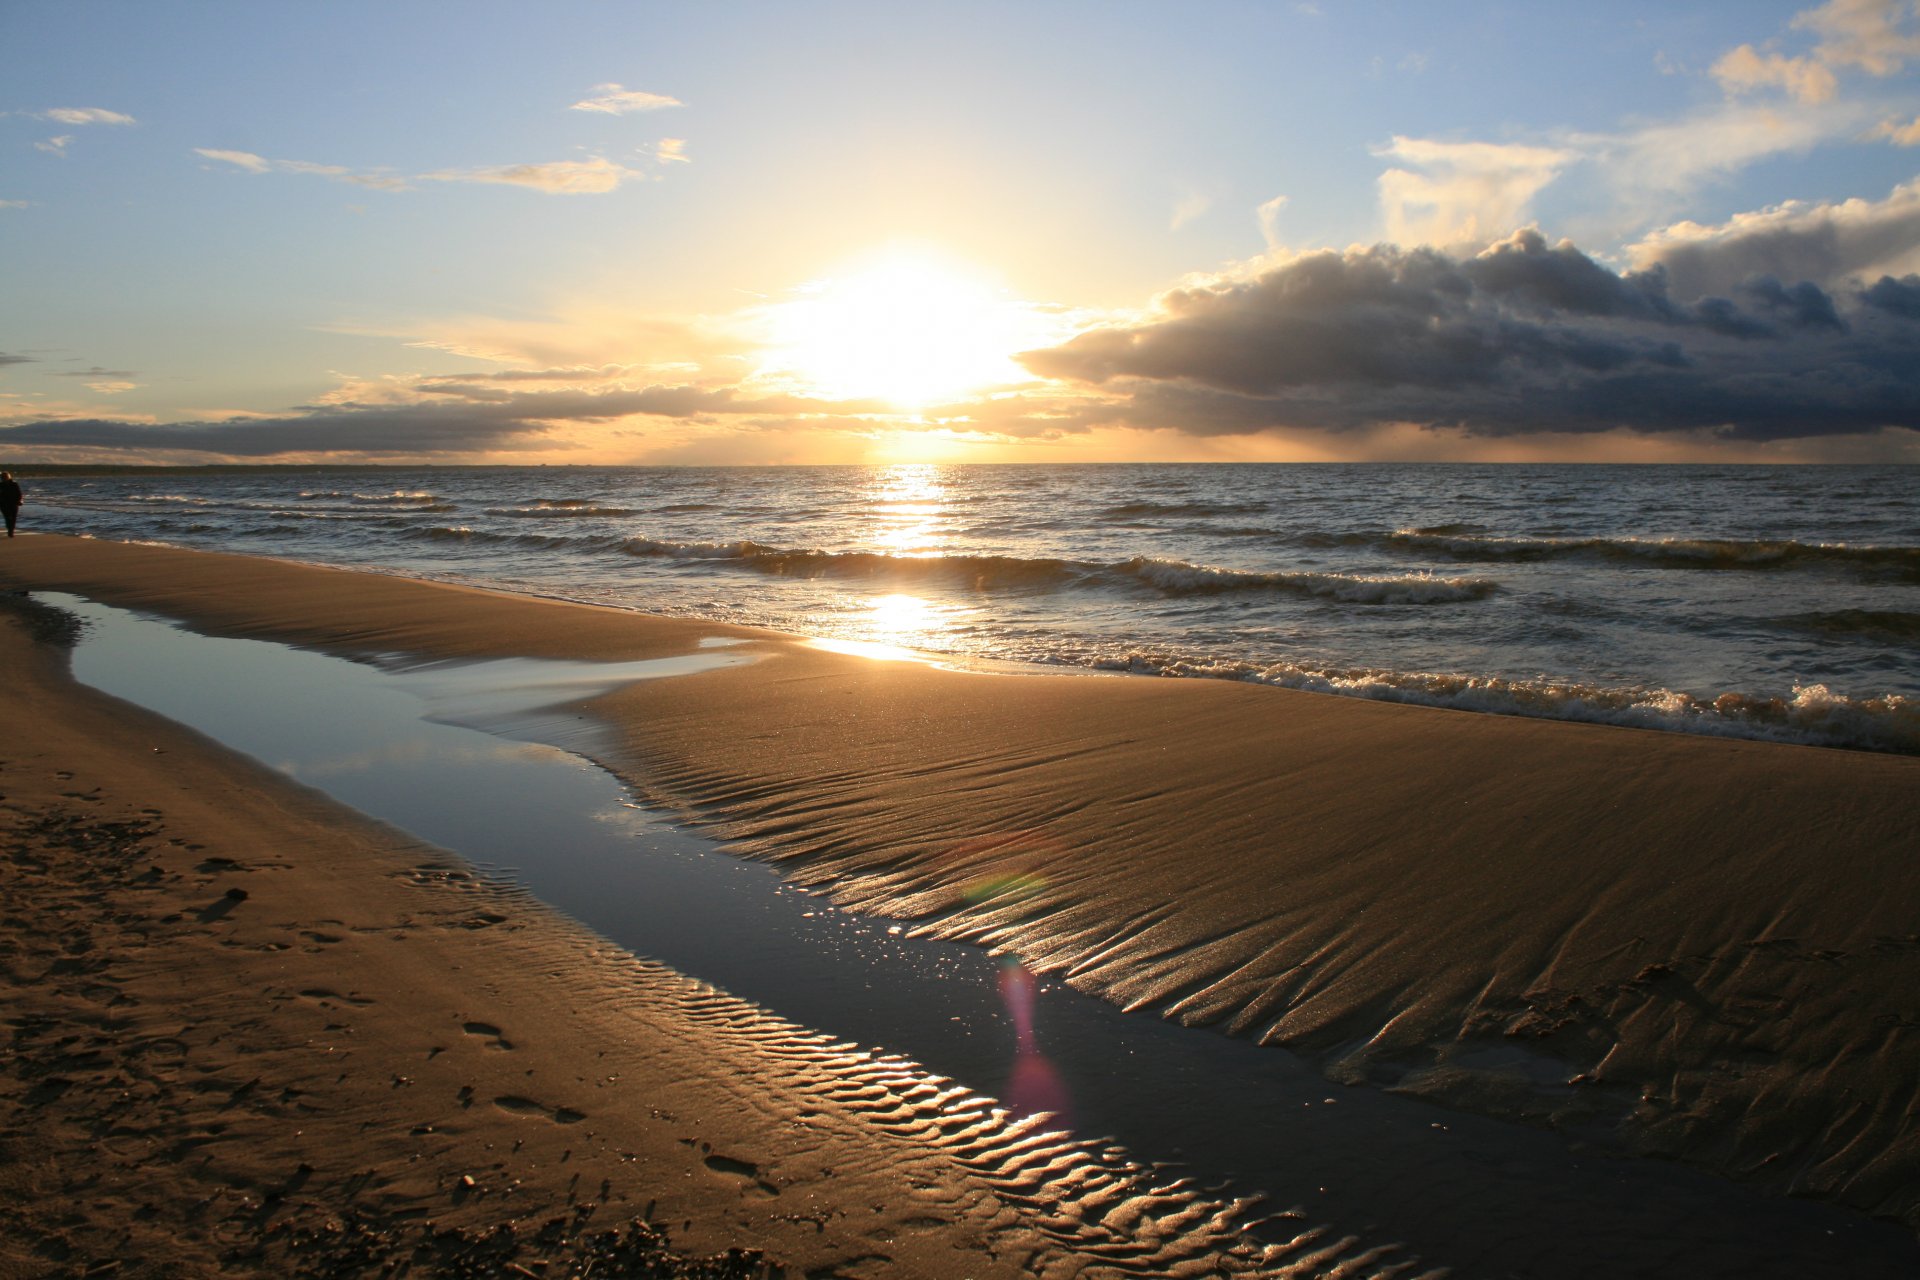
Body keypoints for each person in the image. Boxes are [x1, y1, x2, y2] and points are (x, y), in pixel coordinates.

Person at [0, 471, 21, 538]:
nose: (4, 478)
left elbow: (19, 493)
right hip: (4, 504)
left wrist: (19, 500)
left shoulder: (14, 484)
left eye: (5, 477)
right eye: (3, 477)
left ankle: (11, 531)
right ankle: (10, 530)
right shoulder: (1, 485)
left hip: (14, 503)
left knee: (13, 518)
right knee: (7, 518)